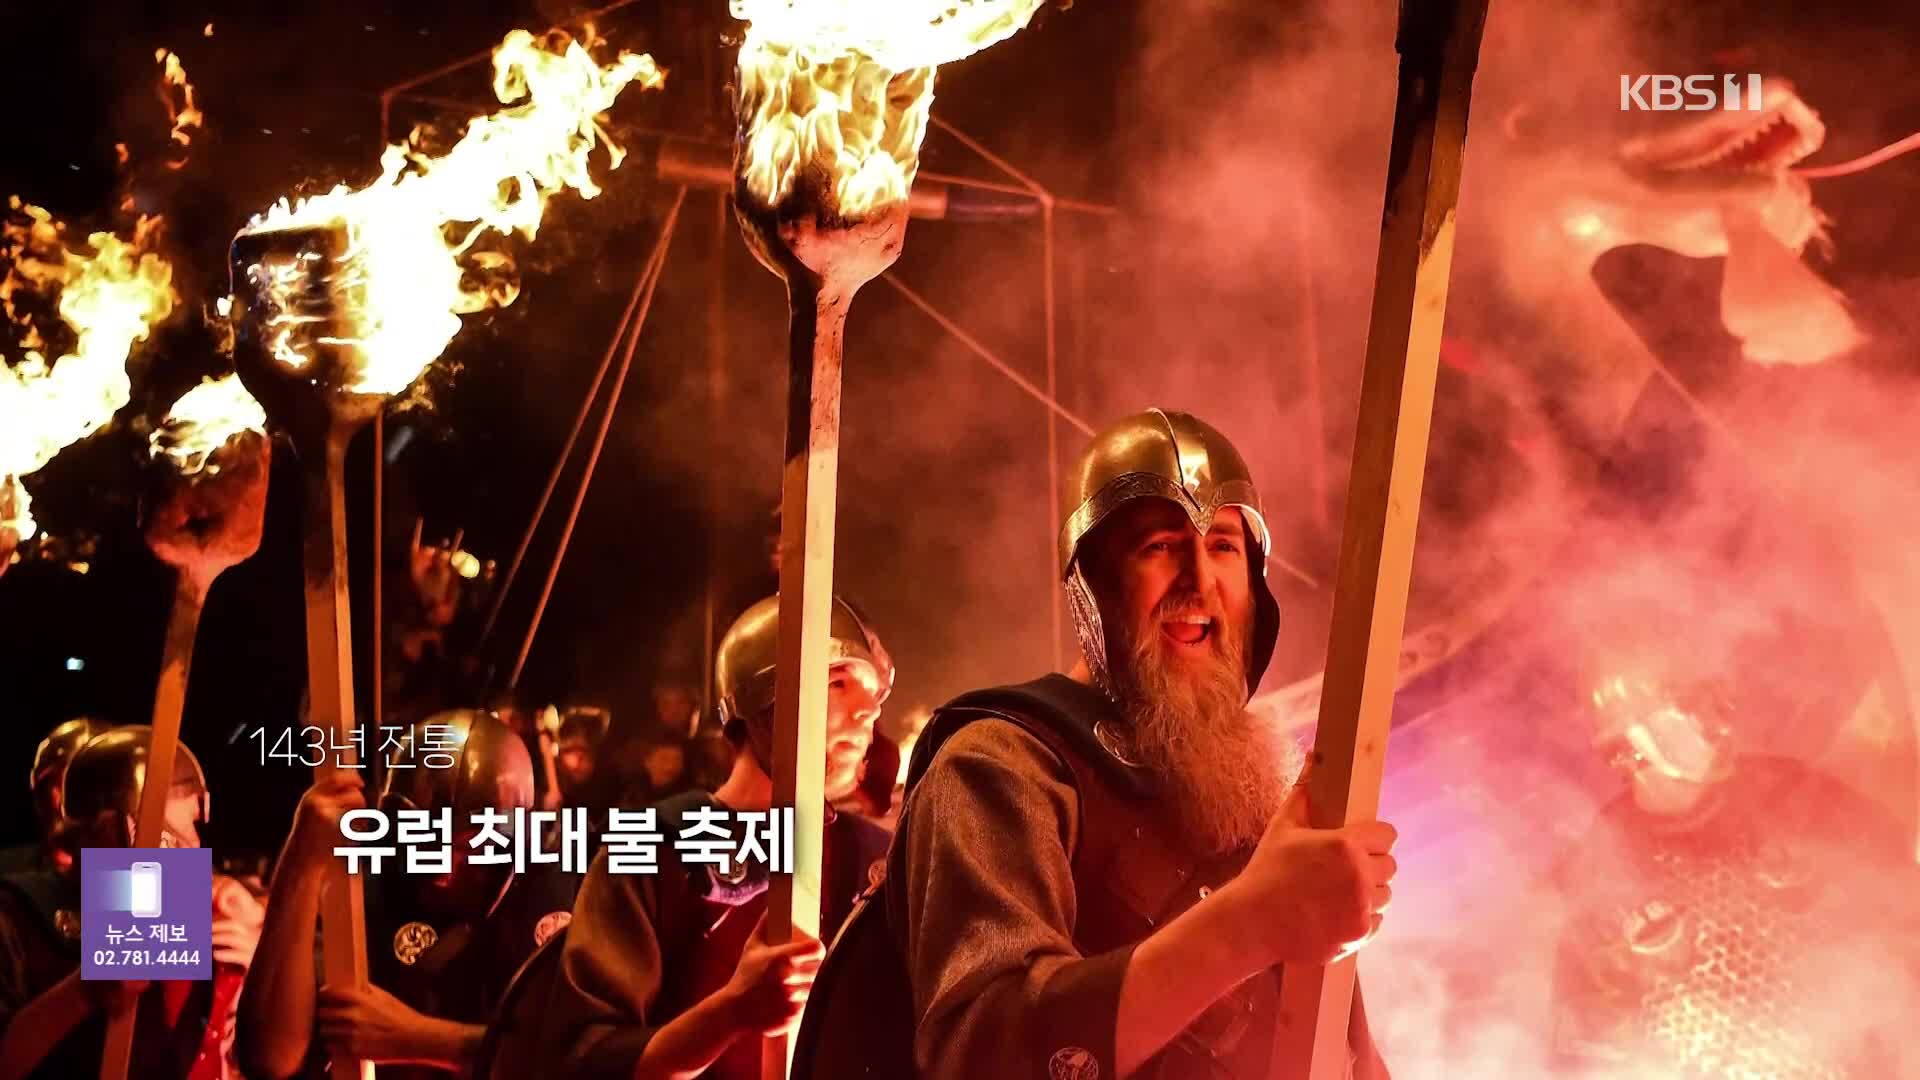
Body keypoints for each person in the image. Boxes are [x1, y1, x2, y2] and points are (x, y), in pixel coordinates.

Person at [796, 408, 1395, 1079]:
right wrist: (1249, 924)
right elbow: (985, 1053)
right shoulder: (1000, 766)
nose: (1200, 580)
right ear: (1094, 586)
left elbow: (1343, 1056)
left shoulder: (1252, 799)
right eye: (1161, 545)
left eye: (1223, 545)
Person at [533, 593, 894, 1080]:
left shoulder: (879, 862)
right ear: (760, 701)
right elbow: (586, 1061)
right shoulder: (651, 850)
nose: (865, 712)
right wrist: (731, 1012)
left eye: (873, 695)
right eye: (837, 682)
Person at [1550, 671, 1920, 1077]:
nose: (1722, 720)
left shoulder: (1787, 790)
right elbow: (1587, 1053)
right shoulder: (1608, 867)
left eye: (1717, 697)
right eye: (1687, 703)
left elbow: (1901, 885)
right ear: (1624, 747)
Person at [238, 709, 579, 1080]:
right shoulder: (363, 882)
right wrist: (300, 864)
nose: (444, 871)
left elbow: (575, 1061)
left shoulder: (541, 889)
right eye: (426, 842)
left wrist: (418, 1038)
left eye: (472, 848)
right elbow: (270, 1061)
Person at [0, 726, 263, 1079]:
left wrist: (258, 971)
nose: (195, 844)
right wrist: (82, 991)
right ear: (131, 829)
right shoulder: (18, 911)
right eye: (186, 825)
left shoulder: (210, 909)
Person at [0, 716, 110, 875]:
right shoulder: (8, 877)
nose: (61, 799)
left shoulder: (138, 877)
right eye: (52, 783)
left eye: (79, 786)